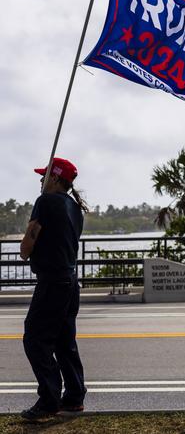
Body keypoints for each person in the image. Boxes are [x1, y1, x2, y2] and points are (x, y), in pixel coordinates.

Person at [19, 157, 89, 422]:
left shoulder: (45, 202)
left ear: (56, 179)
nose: (40, 180)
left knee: (35, 340)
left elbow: (29, 243)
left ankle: (49, 400)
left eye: (45, 176)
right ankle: (73, 397)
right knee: (64, 341)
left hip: (52, 282)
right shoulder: (74, 207)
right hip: (70, 282)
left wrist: (25, 250)